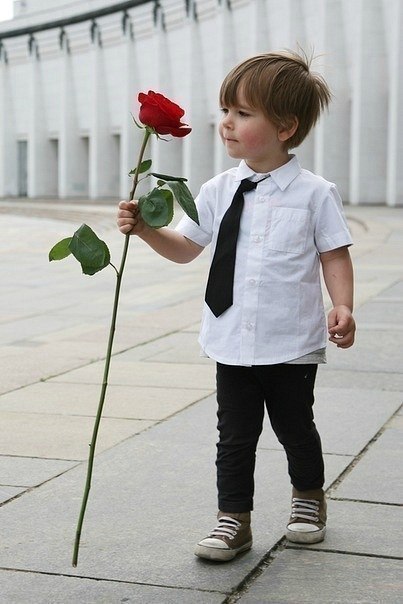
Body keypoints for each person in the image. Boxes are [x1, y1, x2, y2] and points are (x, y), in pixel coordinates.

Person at [117, 50, 356, 563]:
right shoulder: (217, 190)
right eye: (226, 109)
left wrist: (343, 305)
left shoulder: (315, 194)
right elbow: (186, 248)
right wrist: (145, 231)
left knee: (295, 427)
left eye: (243, 113)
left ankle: (308, 498)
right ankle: (234, 520)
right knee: (234, 436)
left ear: (286, 128)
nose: (226, 122)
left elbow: (334, 253)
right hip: (231, 339)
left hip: (290, 340)